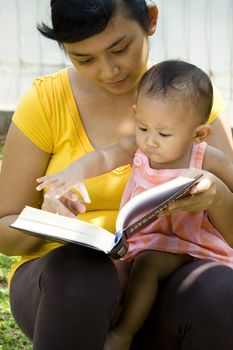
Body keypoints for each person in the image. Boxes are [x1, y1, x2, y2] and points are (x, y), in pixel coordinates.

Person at [0, 1, 233, 349]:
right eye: (84, 59)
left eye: (119, 49)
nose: (109, 70)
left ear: (151, 21)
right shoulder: (47, 102)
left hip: (167, 272)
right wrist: (46, 219)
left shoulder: (192, 106)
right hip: (62, 283)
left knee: (218, 289)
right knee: (86, 275)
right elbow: (4, 230)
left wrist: (216, 196)